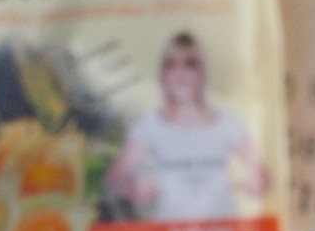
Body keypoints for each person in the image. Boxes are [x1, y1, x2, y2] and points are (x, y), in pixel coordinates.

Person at [107, 31, 268, 221]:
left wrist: (256, 182)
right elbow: (115, 178)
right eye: (172, 65)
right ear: (162, 74)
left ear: (202, 72)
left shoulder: (228, 124)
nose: (181, 73)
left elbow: (262, 176)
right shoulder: (150, 126)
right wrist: (133, 189)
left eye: (190, 64)